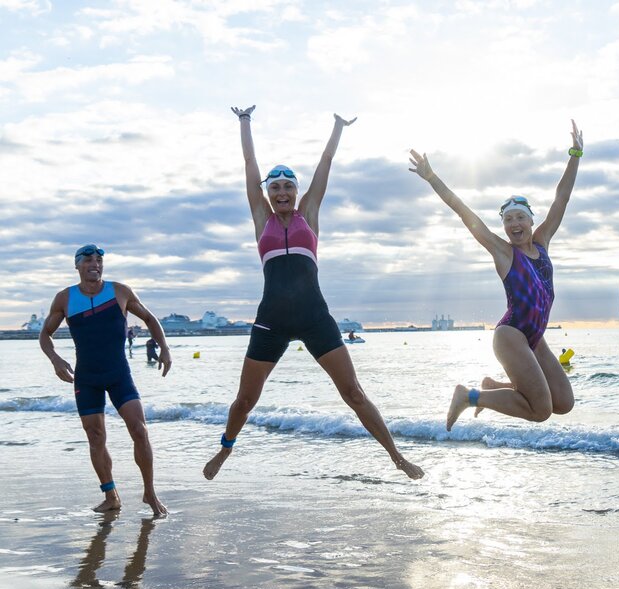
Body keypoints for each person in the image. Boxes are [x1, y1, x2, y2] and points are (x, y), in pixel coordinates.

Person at [203, 106, 423, 481]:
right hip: (271, 320)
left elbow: (326, 161)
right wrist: (244, 122)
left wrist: (338, 128)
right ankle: (225, 448)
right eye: (275, 187)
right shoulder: (262, 220)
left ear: (298, 192)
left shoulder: (310, 215)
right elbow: (249, 161)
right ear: (268, 194)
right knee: (245, 401)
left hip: (314, 317)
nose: (282, 192)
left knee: (353, 393)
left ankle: (397, 457)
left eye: (289, 186)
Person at [409, 121, 583, 430]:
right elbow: (464, 212)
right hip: (511, 334)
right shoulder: (504, 252)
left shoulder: (542, 244)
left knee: (564, 403)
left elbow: (562, 199)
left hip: (535, 338)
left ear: (531, 220)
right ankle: (469, 395)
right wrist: (432, 177)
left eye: (520, 218)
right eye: (508, 219)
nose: (514, 224)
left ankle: (491, 384)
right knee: (540, 410)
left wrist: (575, 154)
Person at [39, 244, 172, 516]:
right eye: (88, 260)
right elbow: (45, 335)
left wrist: (165, 348)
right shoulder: (65, 299)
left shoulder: (119, 291)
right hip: (86, 377)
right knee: (95, 436)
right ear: (77, 266)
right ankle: (111, 495)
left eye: (99, 260)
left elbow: (149, 318)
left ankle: (149, 491)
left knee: (139, 430)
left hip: (118, 373)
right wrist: (55, 360)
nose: (95, 264)